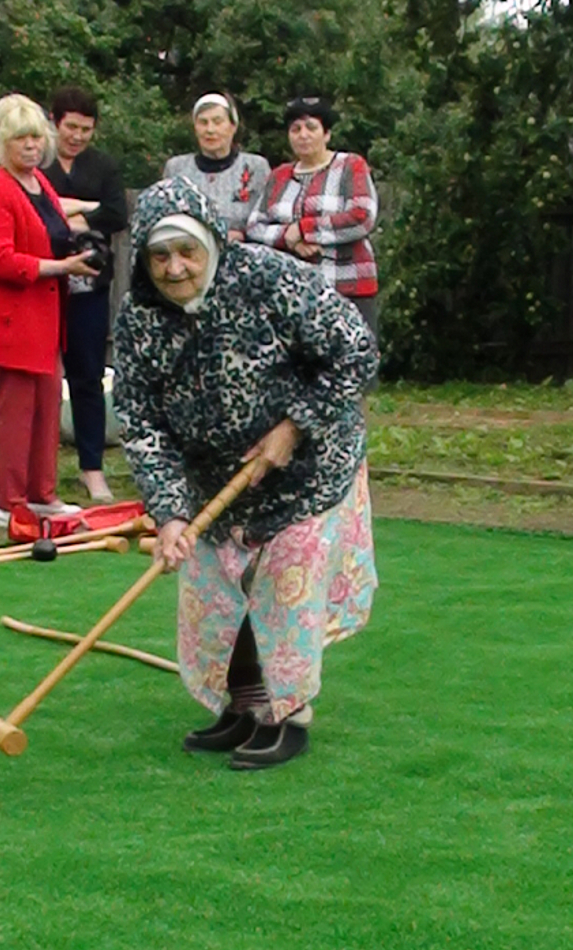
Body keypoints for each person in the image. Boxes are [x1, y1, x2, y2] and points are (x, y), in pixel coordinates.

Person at [113, 178, 378, 770]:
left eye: (187, 251)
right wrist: (171, 511)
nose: (175, 268)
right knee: (212, 590)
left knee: (286, 584)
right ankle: (243, 705)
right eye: (160, 255)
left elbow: (355, 350)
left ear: (211, 241)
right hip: (213, 483)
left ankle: (289, 717)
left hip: (309, 467)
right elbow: (140, 417)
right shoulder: (139, 318)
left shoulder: (269, 278)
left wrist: (294, 427)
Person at [0, 93, 96, 527]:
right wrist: (61, 266)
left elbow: (55, 229)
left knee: (47, 405)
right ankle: (10, 500)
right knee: (17, 412)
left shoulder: (40, 182)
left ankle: (43, 493)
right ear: (3, 141)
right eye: (21, 139)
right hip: (10, 317)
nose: (31, 146)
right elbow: (0, 259)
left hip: (44, 315)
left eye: (37, 137)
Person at [41, 86, 129, 503]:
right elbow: (35, 215)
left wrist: (67, 209)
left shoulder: (104, 166)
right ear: (54, 122)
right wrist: (78, 210)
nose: (77, 136)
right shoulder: (36, 162)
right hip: (40, 285)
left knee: (88, 377)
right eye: (71, 127)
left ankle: (92, 469)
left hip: (90, 286)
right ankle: (37, 472)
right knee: (39, 379)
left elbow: (115, 214)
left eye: (86, 129)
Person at [245, 95, 379, 338]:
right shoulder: (279, 176)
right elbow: (255, 226)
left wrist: (307, 229)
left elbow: (362, 217)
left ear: (326, 134)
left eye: (311, 127)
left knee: (356, 364)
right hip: (293, 291)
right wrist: (289, 236)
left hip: (348, 287)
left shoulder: (350, 165)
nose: (303, 135)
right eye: (295, 129)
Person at [162, 93, 270, 243]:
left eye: (217, 122)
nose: (210, 130)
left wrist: (243, 234)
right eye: (203, 122)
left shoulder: (255, 166)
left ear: (233, 127)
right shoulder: (176, 168)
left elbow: (266, 219)